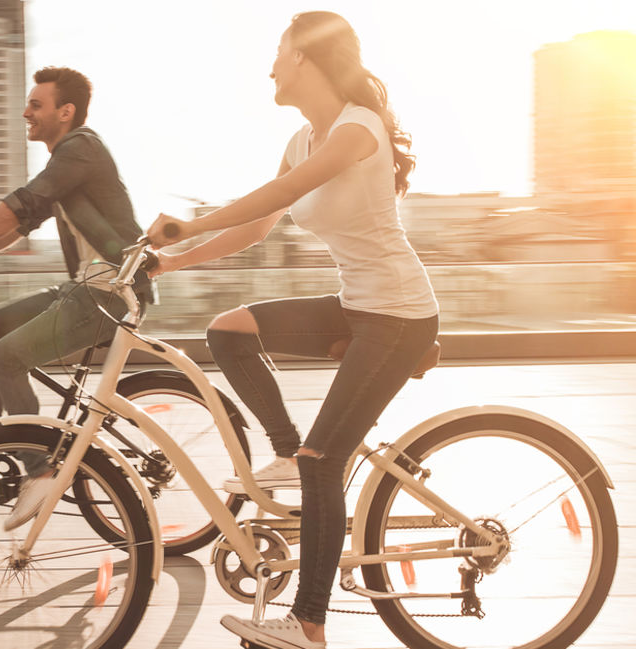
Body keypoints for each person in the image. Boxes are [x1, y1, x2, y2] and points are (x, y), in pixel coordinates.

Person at [146, 12, 439, 649]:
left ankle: (308, 624)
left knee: (322, 461)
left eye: (278, 53)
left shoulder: (356, 131)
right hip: (356, 305)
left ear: (306, 58)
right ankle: (285, 449)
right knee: (227, 332)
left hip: (397, 314)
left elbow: (283, 190)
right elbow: (256, 227)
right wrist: (170, 260)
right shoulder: (303, 137)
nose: (271, 66)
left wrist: (187, 225)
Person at [0, 66, 153, 532]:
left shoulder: (79, 148)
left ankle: (40, 470)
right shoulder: (66, 161)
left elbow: (20, 203)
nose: (26, 112)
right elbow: (19, 224)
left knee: (6, 359)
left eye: (36, 104)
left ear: (65, 112)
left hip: (113, 293)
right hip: (85, 288)